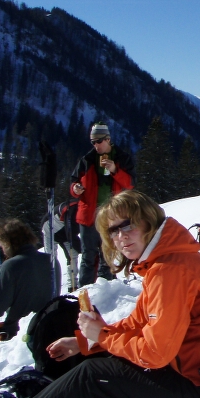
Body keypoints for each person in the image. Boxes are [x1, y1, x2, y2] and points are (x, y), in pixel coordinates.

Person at [0, 190, 200, 398]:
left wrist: (101, 336)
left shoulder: (169, 272)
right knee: (107, 357)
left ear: (148, 222)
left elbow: (155, 353)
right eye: (113, 231)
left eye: (127, 225)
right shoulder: (166, 260)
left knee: (92, 376)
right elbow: (139, 323)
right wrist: (86, 342)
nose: (121, 237)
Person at [0, 219, 60, 340]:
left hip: (22, 331)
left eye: (1, 243)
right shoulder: (51, 260)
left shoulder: (11, 266)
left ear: (7, 243)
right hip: (51, 325)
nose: (1, 248)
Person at [70, 122, 135, 287]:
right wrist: (75, 189)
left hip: (111, 216)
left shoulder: (121, 158)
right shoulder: (87, 160)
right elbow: (73, 182)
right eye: (93, 142)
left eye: (99, 141)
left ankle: (105, 289)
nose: (96, 145)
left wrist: (115, 170)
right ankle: (85, 290)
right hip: (88, 216)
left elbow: (130, 184)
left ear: (108, 139)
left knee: (108, 255)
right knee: (88, 256)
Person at [41, 199, 81, 292]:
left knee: (72, 256)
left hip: (63, 231)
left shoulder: (79, 209)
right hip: (49, 231)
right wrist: (83, 248)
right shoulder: (72, 209)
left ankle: (73, 287)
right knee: (51, 260)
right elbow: (71, 234)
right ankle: (50, 289)